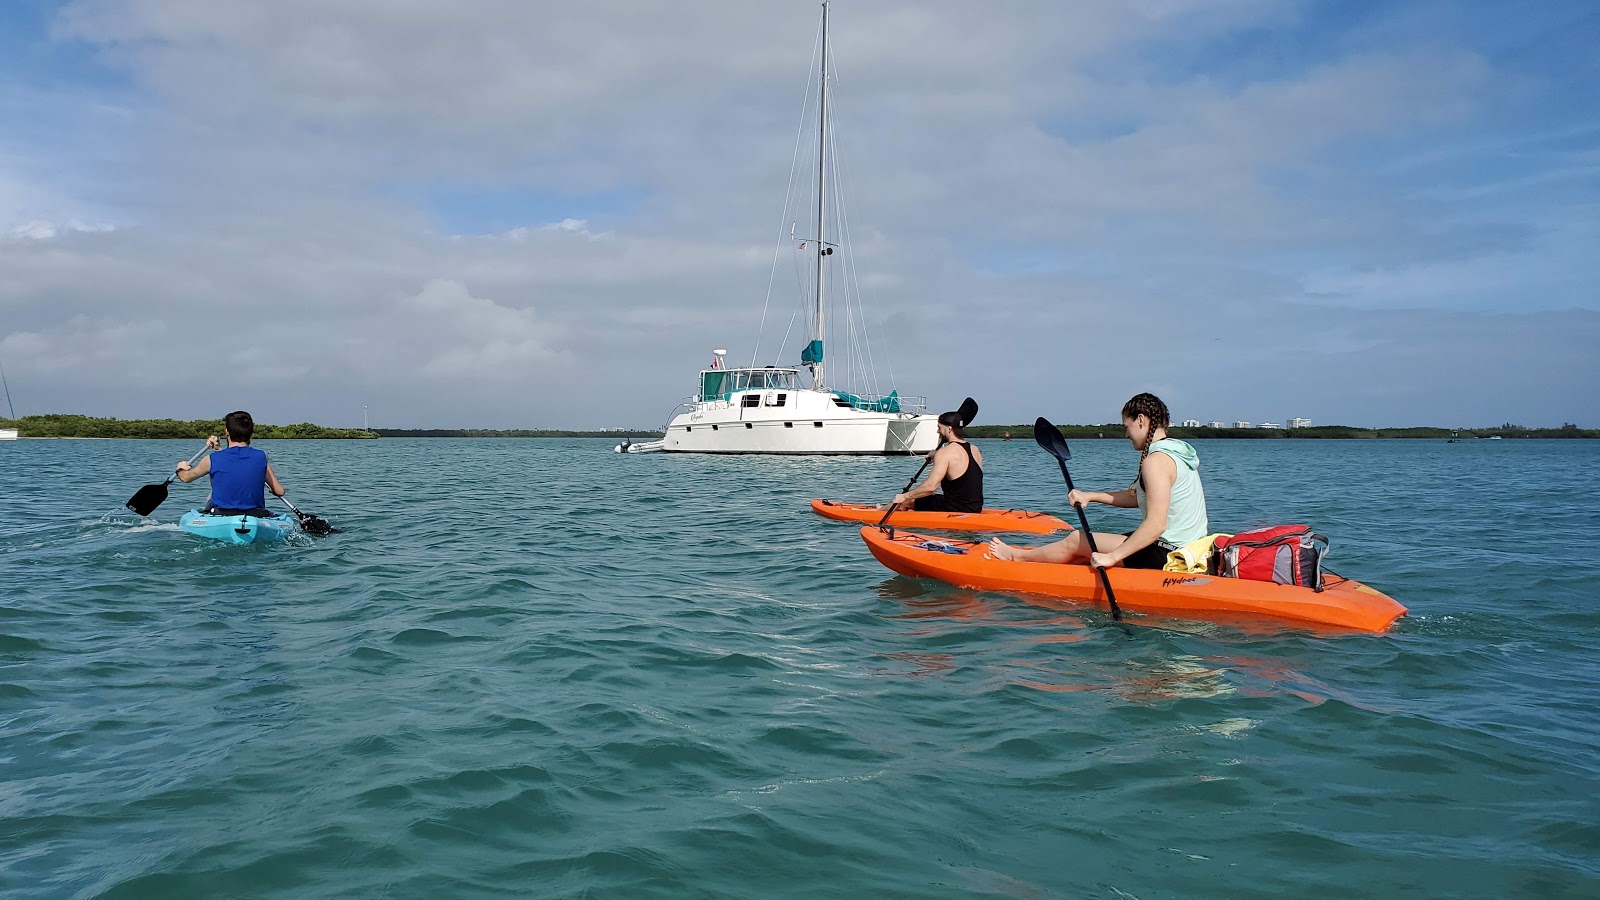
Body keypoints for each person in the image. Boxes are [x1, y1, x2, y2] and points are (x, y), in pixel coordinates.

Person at [990, 393, 1206, 569]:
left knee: (1077, 539)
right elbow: (1136, 498)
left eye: (1125, 426)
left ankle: (1015, 558)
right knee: (1086, 552)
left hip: (1168, 553)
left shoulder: (1156, 461)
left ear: (1140, 420)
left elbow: (1157, 524)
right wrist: (1090, 496)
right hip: (1188, 548)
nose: (1125, 435)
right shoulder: (1177, 453)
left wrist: (1112, 557)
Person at [175, 410, 287, 516]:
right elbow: (279, 491)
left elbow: (186, 478)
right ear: (250, 433)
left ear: (227, 433)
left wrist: (180, 468)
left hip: (221, 514)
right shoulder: (261, 456)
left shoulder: (211, 459)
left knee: (209, 499)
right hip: (254, 515)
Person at [883, 410, 984, 513]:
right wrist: (936, 455)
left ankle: (878, 512)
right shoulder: (975, 450)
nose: (938, 431)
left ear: (949, 429)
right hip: (975, 508)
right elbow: (960, 466)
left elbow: (930, 487)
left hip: (954, 508)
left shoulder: (945, 453)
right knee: (924, 500)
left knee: (906, 502)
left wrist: (905, 496)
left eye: (939, 427)